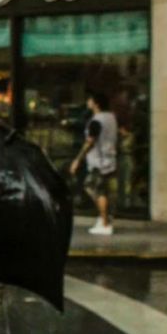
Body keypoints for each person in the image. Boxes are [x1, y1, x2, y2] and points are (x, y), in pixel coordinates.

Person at [70, 92, 118, 236]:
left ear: (96, 103)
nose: (88, 102)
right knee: (101, 189)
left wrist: (77, 159)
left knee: (94, 188)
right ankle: (104, 218)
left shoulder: (96, 121)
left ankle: (105, 223)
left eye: (90, 100)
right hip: (109, 159)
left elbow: (90, 141)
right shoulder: (111, 118)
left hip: (99, 161)